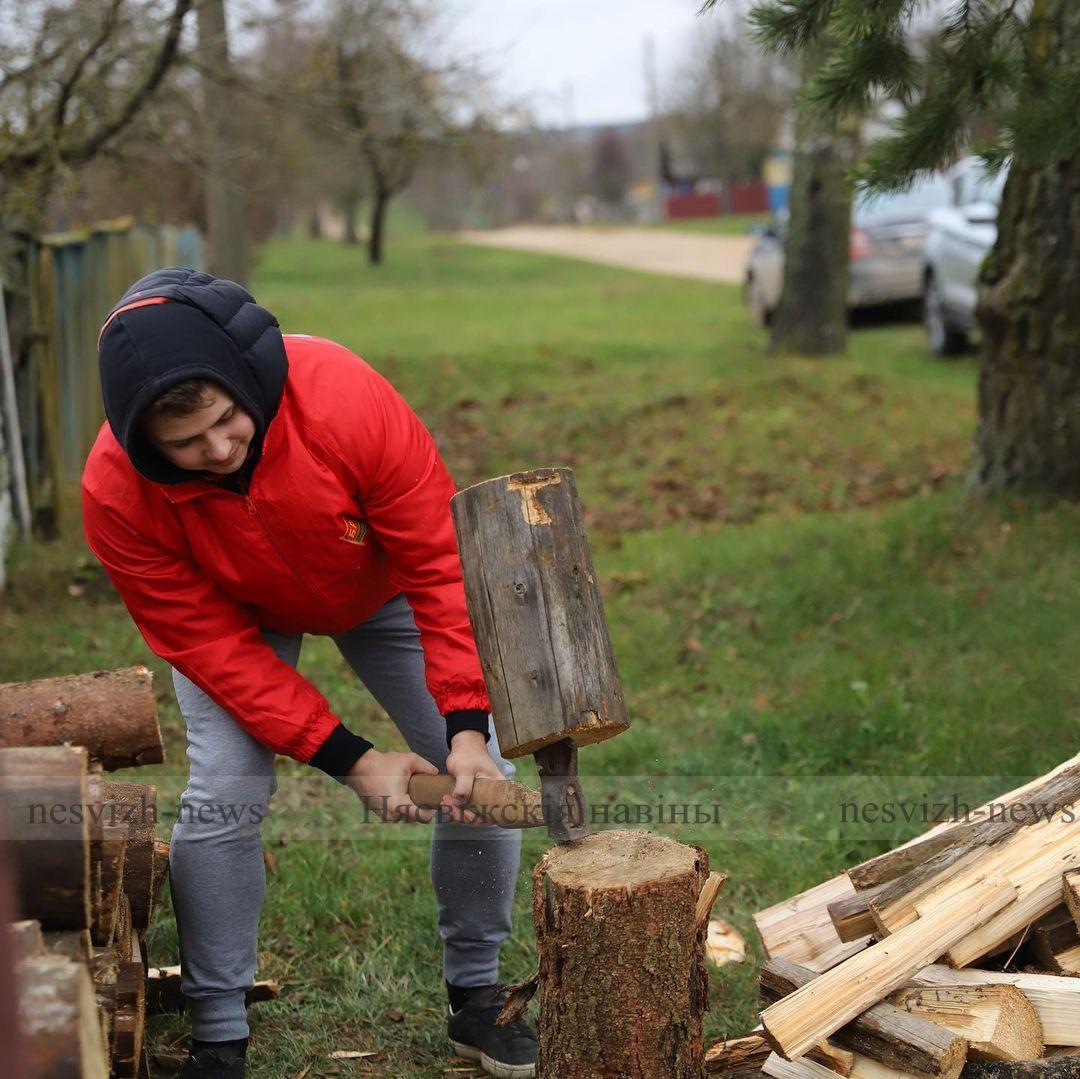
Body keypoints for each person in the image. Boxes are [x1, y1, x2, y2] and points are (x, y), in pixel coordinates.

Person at [81, 268, 538, 1079]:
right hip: (232, 611)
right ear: (143, 440)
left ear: (244, 376)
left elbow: (438, 564)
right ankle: (219, 1035)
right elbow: (213, 651)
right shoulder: (116, 492)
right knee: (225, 785)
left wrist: (466, 726)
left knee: (482, 770)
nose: (219, 450)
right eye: (186, 443)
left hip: (376, 582)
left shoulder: (340, 395)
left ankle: (476, 997)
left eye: (226, 420)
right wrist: (353, 760)